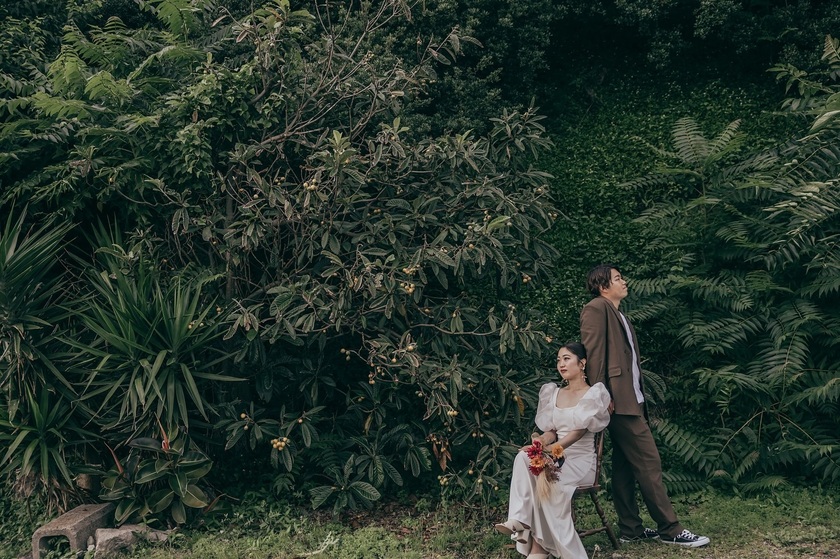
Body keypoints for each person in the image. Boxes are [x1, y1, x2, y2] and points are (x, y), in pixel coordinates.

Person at [579, 264, 710, 548]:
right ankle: (670, 529)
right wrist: (602, 396)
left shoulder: (618, 314)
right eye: (617, 278)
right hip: (618, 404)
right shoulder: (596, 308)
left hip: (631, 401)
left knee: (625, 467)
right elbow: (594, 354)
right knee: (650, 463)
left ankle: (630, 529)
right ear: (603, 286)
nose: (623, 281)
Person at [495, 342, 611, 559]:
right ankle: (519, 520)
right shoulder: (554, 393)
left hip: (580, 461)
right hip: (555, 455)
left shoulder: (593, 394)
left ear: (582, 363)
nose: (561, 364)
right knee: (523, 457)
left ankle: (540, 547)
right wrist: (539, 443)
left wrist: (550, 450)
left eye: (566, 358)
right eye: (558, 360)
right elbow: (550, 431)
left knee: (547, 479)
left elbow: (576, 433)